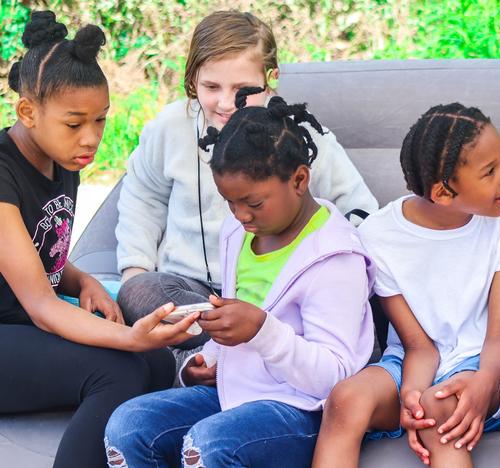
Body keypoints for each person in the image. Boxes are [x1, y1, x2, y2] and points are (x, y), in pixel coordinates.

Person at [104, 90, 375, 467]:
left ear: (299, 179)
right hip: (234, 390)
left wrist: (261, 330)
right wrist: (207, 358)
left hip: (303, 408)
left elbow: (335, 377)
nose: (240, 215)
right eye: (230, 202)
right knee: (128, 425)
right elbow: (239, 321)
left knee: (209, 444)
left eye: (253, 203)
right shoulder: (238, 231)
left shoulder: (336, 259)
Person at [0, 11, 199, 468]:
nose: (90, 138)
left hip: (19, 324)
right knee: (118, 368)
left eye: (101, 120)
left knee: (158, 364)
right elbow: (43, 307)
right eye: (74, 123)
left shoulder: (60, 159)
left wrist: (83, 281)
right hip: (16, 326)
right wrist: (128, 337)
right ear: (27, 111)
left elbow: (35, 252)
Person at [115, 10, 378, 352]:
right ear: (192, 79)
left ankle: (216, 357)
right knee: (138, 291)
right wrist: (134, 269)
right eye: (211, 87)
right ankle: (224, 356)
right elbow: (142, 199)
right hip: (193, 292)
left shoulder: (299, 135)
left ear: (271, 78)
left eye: (242, 89)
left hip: (277, 297)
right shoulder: (168, 128)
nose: (226, 103)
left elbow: (358, 211)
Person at [313, 103, 500, 468]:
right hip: (410, 363)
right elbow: (418, 346)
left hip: (487, 364)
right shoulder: (379, 235)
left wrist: (483, 383)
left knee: (440, 408)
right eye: (490, 171)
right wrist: (411, 395)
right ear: (443, 193)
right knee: (346, 399)